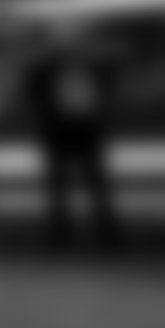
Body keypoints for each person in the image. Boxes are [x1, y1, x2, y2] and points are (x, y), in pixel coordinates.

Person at [27, 27, 122, 251]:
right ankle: (61, 231)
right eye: (64, 42)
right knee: (60, 183)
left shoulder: (93, 67)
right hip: (60, 131)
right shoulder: (46, 70)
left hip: (86, 128)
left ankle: (106, 230)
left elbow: (107, 86)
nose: (69, 48)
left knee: (95, 181)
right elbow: (36, 95)